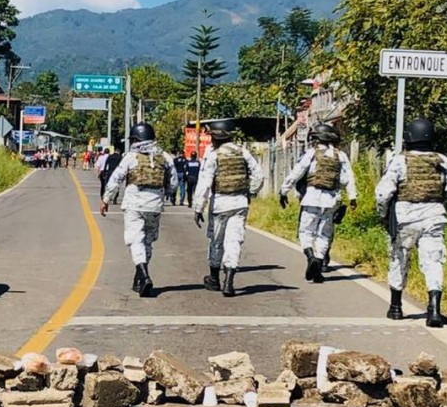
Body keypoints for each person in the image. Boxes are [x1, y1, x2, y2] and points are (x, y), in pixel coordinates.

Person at [376, 118, 447, 325]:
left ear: (408, 138)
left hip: (405, 218)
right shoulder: (442, 161)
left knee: (399, 259)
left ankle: (396, 307)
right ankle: (433, 308)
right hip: (434, 217)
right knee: (433, 261)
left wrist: (383, 214)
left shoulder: (399, 161)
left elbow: (382, 193)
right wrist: (439, 199)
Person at [100, 123, 177, 298]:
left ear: (136, 139)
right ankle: (139, 279)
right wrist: (165, 194)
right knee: (148, 241)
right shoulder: (165, 156)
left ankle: (144, 275)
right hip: (155, 204)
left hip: (134, 203)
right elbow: (173, 184)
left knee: (135, 240)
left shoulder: (131, 156)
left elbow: (116, 179)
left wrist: (106, 199)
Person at [279, 123, 357, 284]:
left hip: (311, 198)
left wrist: (284, 191)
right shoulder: (340, 155)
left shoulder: (311, 154)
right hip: (332, 200)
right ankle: (320, 261)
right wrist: (352, 197)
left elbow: (296, 173)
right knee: (325, 234)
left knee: (306, 231)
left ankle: (310, 257)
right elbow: (348, 178)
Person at [193, 121, 264, 297]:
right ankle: (229, 282)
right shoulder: (243, 152)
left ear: (216, 138)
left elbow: (205, 183)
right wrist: (251, 192)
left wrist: (198, 208)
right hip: (240, 203)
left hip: (219, 204)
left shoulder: (214, 155)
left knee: (216, 241)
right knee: (234, 241)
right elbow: (258, 175)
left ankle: (214, 279)